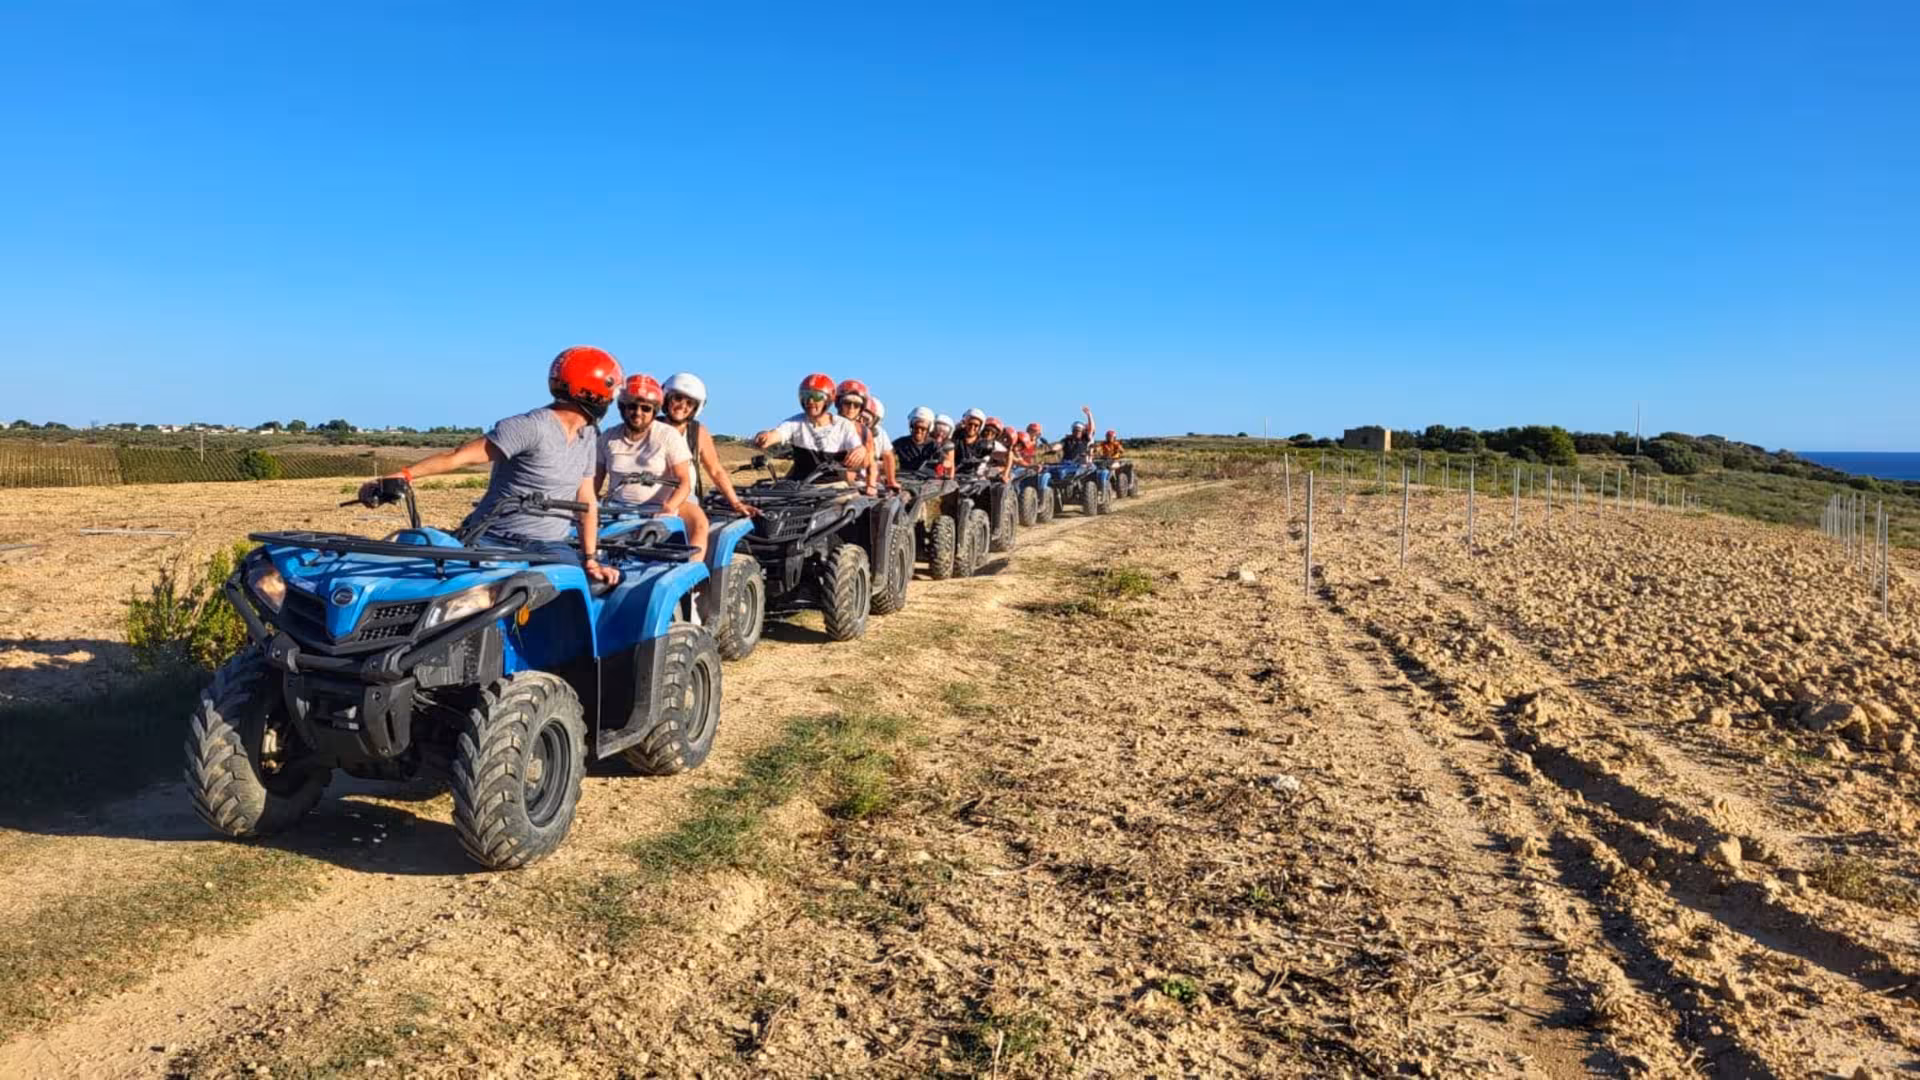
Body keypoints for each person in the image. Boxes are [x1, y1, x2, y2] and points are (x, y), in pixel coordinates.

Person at [360, 346, 621, 585]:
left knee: (573, 592)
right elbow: (459, 456)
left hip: (549, 545)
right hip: (493, 537)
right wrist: (403, 475)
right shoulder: (531, 427)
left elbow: (586, 500)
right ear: (597, 393)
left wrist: (590, 559)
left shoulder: (588, 436)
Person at [596, 374, 705, 560]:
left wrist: (669, 507)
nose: (638, 412)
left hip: (656, 510)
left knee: (696, 528)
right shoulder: (608, 437)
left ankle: (695, 577)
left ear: (654, 411)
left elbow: (684, 481)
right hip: (616, 510)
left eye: (645, 408)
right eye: (632, 406)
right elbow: (593, 483)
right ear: (622, 407)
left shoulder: (668, 436)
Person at [658, 372, 760, 522]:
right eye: (677, 398)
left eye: (689, 403)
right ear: (666, 398)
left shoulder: (697, 432)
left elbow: (715, 470)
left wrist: (736, 503)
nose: (682, 406)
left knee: (699, 526)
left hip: (685, 499)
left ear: (696, 408)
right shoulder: (652, 428)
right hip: (650, 497)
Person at [753, 373, 873, 490]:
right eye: (806, 395)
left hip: (833, 488)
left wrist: (861, 451)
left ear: (829, 399)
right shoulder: (794, 423)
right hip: (800, 488)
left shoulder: (843, 425)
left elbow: (860, 453)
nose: (810, 401)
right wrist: (765, 436)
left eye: (817, 396)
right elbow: (777, 434)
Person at [953, 408, 1013, 483]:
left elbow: (1009, 455)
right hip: (953, 478)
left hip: (973, 480)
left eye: (976, 425)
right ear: (965, 423)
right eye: (970, 424)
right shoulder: (955, 437)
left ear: (980, 427)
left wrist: (1005, 474)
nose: (972, 427)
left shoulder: (985, 444)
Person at [894, 405, 954, 475]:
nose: (919, 431)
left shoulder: (933, 445)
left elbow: (946, 460)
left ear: (929, 429)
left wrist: (944, 462)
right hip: (903, 479)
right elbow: (885, 456)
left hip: (927, 481)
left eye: (923, 429)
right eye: (916, 427)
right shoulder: (900, 443)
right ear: (911, 426)